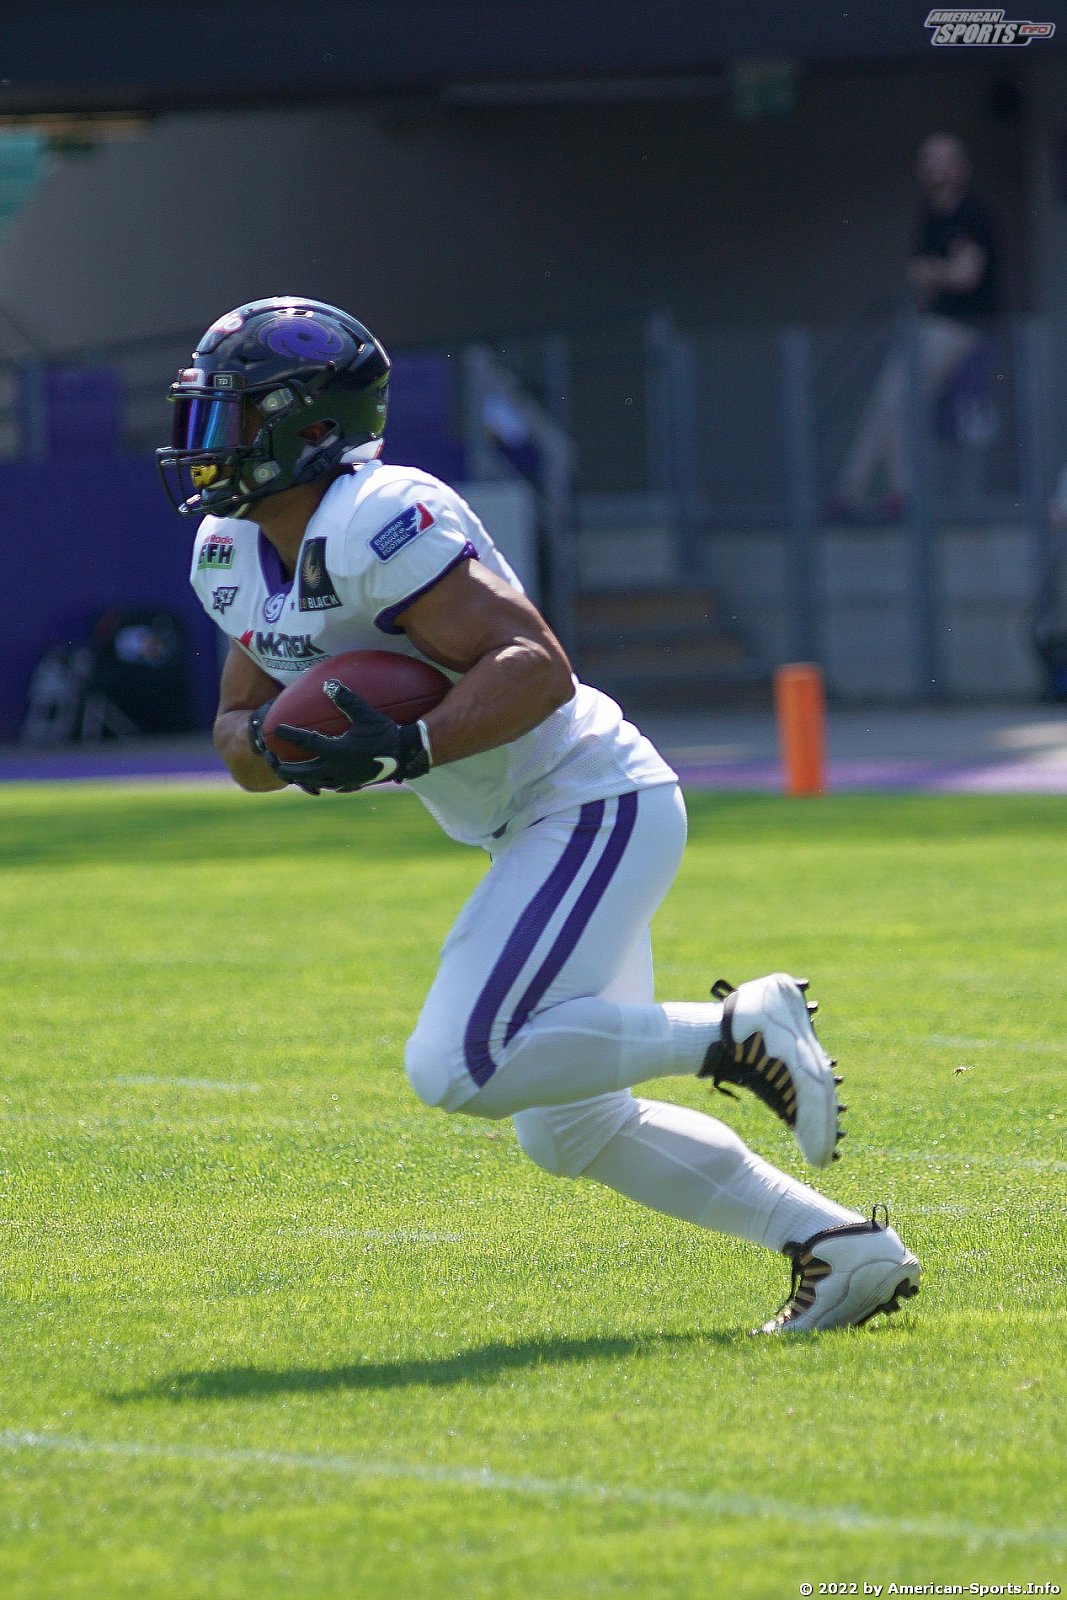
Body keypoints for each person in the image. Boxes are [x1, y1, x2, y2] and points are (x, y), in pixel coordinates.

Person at [159, 296, 921, 1333]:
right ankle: (839, 1247)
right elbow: (237, 731)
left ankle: (735, 1032)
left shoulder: (377, 516)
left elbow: (534, 666)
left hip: (586, 797)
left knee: (458, 1063)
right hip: (531, 823)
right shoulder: (231, 548)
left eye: (231, 415)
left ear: (310, 426)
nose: (205, 442)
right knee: (570, 1130)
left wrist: (410, 745)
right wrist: (286, 747)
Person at [833, 132, 1000, 520]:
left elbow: (965, 276)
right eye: (929, 161)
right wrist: (941, 271)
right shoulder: (930, 213)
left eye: (943, 160)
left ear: (961, 166)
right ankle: (884, 491)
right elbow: (919, 274)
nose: (935, 169)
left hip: (964, 326)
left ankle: (867, 490)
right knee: (891, 398)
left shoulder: (973, 211)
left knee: (895, 396)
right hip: (933, 323)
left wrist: (935, 272)